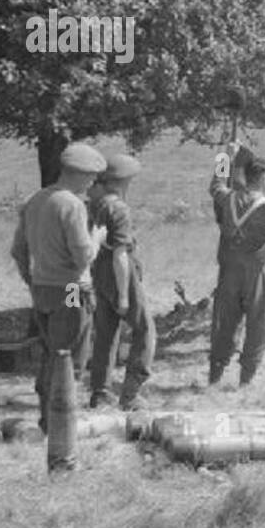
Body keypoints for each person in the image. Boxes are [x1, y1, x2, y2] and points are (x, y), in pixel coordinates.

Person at [11, 143, 106, 463]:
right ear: (77, 174)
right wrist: (98, 238)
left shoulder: (35, 201)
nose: (93, 183)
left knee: (51, 353)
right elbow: (83, 255)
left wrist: (31, 281)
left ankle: (47, 418)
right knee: (71, 361)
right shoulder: (72, 205)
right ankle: (62, 432)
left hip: (43, 288)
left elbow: (17, 251)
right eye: (91, 177)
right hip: (71, 288)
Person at [208, 140, 265, 387]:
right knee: (258, 324)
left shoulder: (228, 199)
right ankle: (245, 380)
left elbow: (215, 184)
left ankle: (215, 375)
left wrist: (225, 156)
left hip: (229, 271)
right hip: (257, 271)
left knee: (224, 324)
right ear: (264, 178)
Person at [86, 154, 154, 410]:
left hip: (97, 271)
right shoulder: (119, 209)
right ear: (121, 181)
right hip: (118, 273)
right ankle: (131, 393)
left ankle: (100, 392)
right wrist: (124, 294)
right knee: (145, 330)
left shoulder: (92, 204)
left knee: (105, 333)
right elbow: (120, 254)